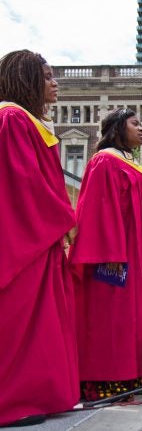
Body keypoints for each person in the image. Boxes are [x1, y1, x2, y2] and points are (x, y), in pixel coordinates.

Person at [69, 108, 142, 401]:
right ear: (118, 127)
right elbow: (97, 210)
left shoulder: (133, 165)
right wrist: (110, 252)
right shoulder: (104, 161)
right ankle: (108, 382)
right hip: (115, 258)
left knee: (135, 317)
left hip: (140, 257)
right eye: (135, 123)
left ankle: (136, 375)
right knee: (112, 318)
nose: (141, 129)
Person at [0, 50, 79, 427]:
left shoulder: (28, 121)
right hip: (22, 238)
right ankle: (9, 403)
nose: (55, 82)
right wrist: (65, 217)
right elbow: (22, 183)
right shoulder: (11, 117)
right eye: (47, 77)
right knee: (18, 321)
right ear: (27, 80)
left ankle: (39, 394)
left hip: (41, 238)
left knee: (42, 325)